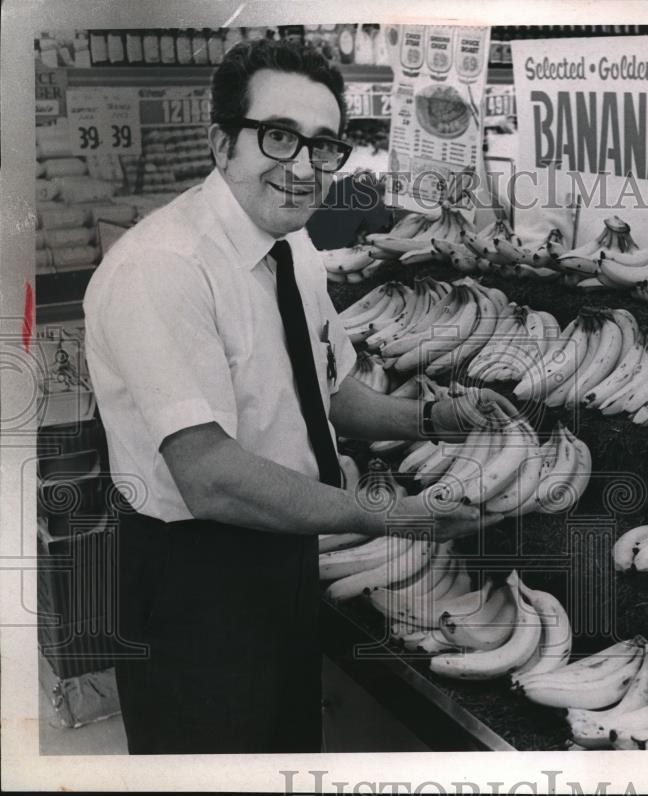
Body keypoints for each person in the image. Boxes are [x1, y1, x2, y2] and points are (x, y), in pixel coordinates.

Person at [83, 37, 504, 754]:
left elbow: (330, 393)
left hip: (282, 549)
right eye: (279, 137)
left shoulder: (289, 245)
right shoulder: (163, 270)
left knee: (283, 750)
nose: (304, 166)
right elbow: (210, 476)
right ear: (223, 145)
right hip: (193, 575)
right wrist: (392, 514)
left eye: (323, 146)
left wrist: (439, 417)